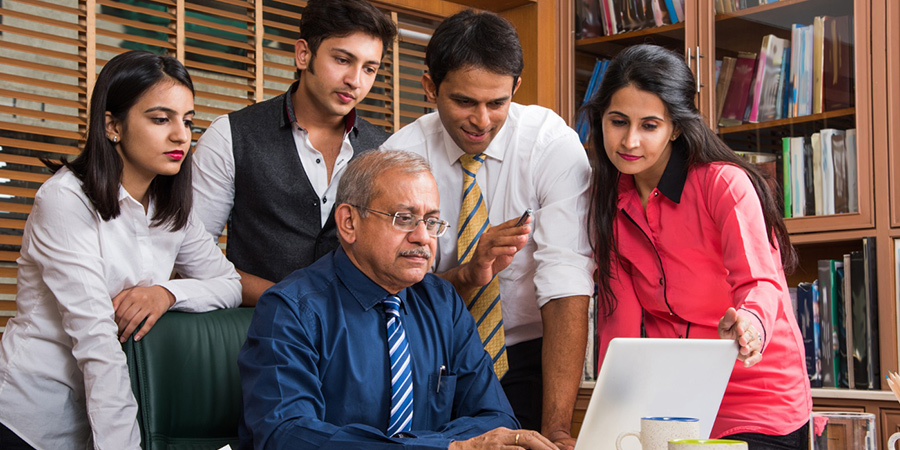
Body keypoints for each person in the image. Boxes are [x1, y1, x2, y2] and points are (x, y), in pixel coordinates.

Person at [0, 50, 241, 449]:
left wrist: (166, 293)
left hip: (112, 416)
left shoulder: (170, 207)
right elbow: (97, 343)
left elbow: (228, 282)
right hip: (32, 421)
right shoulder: (64, 201)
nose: (181, 135)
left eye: (188, 120)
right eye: (161, 119)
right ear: (112, 125)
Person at [238, 150, 556, 450]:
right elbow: (287, 435)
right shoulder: (291, 309)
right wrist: (444, 445)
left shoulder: (442, 303)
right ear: (349, 222)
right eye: (404, 219)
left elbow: (497, 419)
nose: (422, 237)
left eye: (431, 222)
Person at [380, 10, 595, 448]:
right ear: (429, 87)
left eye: (497, 103)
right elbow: (388, 293)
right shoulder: (398, 157)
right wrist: (465, 273)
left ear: (516, 87)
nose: (481, 120)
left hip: (532, 357)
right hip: (430, 358)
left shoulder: (549, 144)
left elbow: (566, 280)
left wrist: (557, 427)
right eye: (464, 102)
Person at [584, 44, 811, 449]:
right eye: (618, 121)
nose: (629, 140)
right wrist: (607, 422)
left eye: (649, 125)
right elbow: (619, 324)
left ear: (676, 126)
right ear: (600, 118)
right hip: (676, 404)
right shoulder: (608, 201)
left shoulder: (723, 184)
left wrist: (749, 327)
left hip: (759, 401)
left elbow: (760, 282)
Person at [192, 0, 398, 306]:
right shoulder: (231, 135)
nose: (356, 81)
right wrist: (288, 300)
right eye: (342, 60)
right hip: (256, 334)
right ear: (303, 54)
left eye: (369, 68)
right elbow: (192, 257)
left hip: (351, 338)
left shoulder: (384, 150)